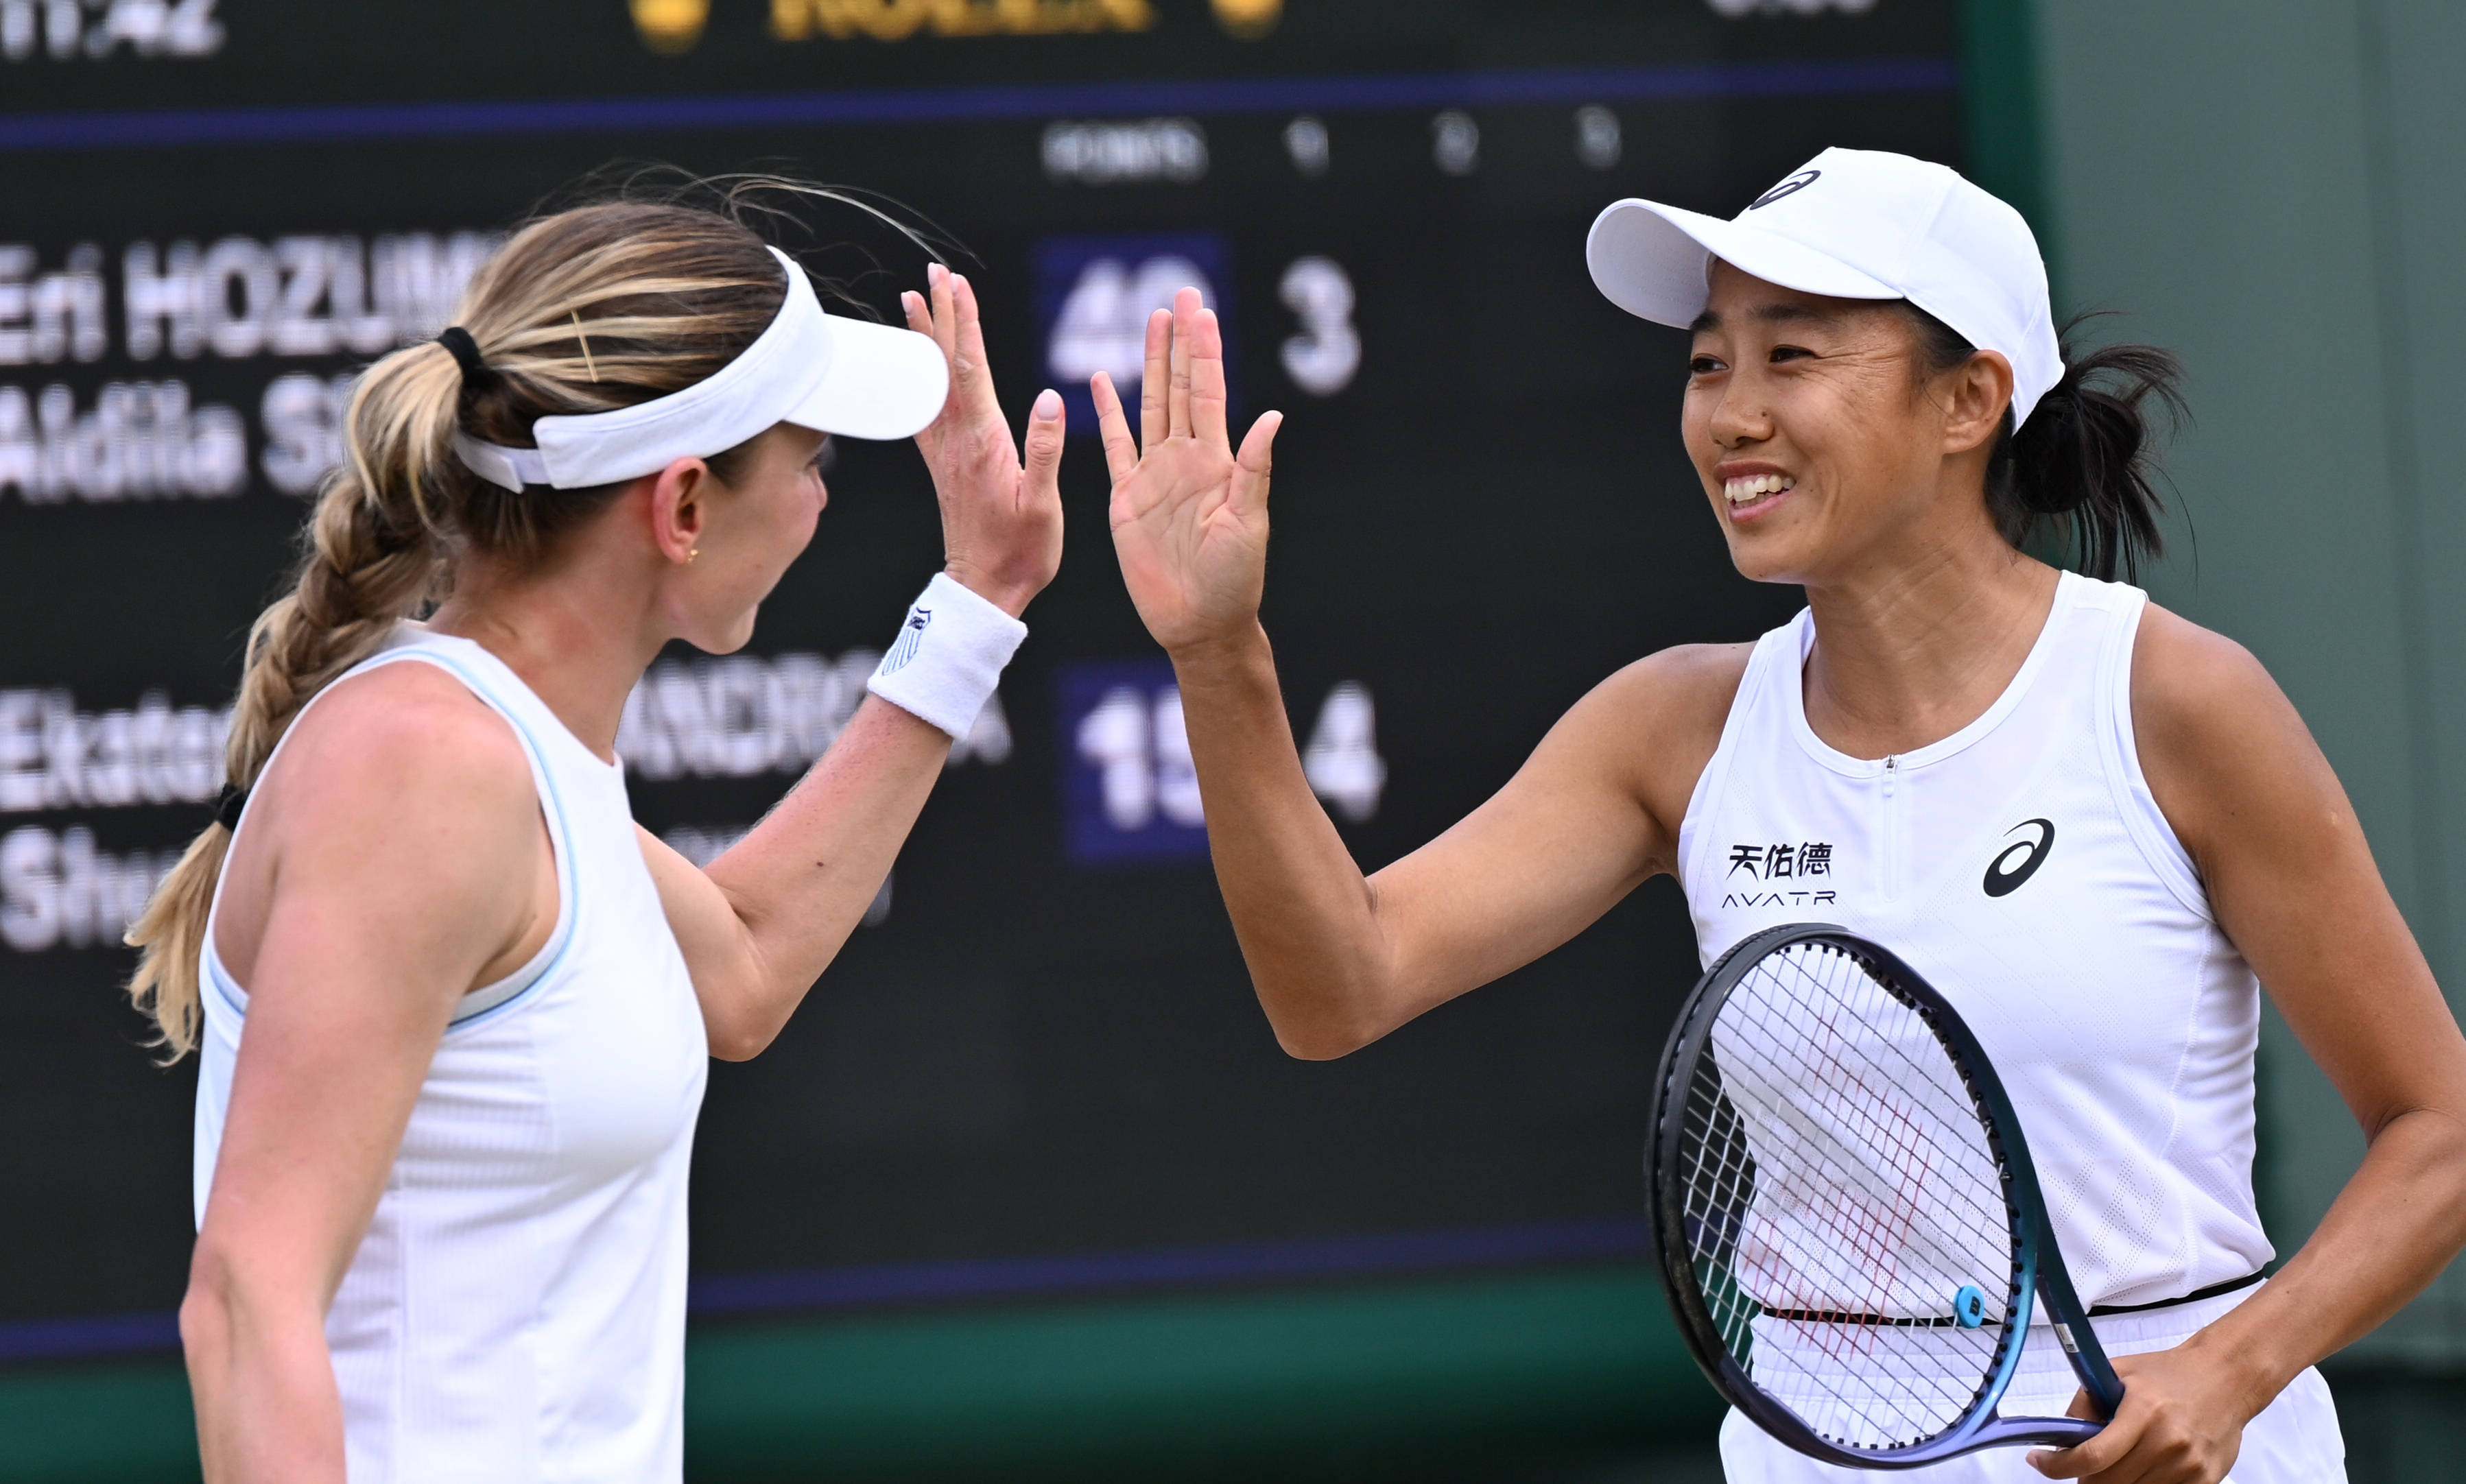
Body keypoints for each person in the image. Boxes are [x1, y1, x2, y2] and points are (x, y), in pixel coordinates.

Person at [1090, 147, 2466, 1483]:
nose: (1731, 415)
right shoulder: (1669, 728)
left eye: (1790, 356)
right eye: (1708, 363)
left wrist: (2231, 1368)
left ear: (1967, 400)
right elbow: (1338, 988)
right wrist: (1218, 655)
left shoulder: (2173, 700)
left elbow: (2441, 1129)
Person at [126, 192, 1065, 1482]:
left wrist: (978, 602)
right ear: (683, 509)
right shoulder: (424, 769)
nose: (817, 503)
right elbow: (246, 1300)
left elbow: (743, 966)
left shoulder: (496, 751)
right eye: (811, 463)